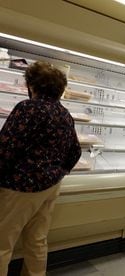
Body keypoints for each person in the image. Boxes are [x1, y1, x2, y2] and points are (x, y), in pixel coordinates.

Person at [0, 61, 81, 275]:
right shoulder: (65, 115)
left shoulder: (28, 108)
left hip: (20, 188)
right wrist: (57, 172)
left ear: (33, 85)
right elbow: (75, 153)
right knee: (37, 241)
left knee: (2, 244)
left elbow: (5, 149)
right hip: (50, 188)